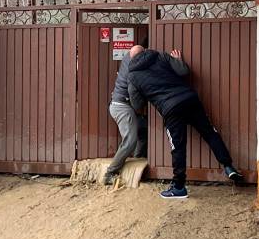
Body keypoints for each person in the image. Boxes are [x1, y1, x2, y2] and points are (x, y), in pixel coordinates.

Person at [127, 45, 242, 199]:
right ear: (145, 50)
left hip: (171, 110)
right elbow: (183, 71)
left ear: (131, 58)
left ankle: (179, 187)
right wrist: (178, 61)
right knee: (209, 132)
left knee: (178, 147)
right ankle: (228, 166)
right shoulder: (161, 56)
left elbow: (136, 104)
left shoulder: (133, 77)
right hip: (190, 99)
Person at [102, 37, 148, 185]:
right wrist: (139, 109)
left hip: (122, 104)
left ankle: (137, 160)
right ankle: (110, 173)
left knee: (143, 131)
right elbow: (132, 91)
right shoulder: (135, 64)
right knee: (130, 141)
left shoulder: (129, 56)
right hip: (122, 106)